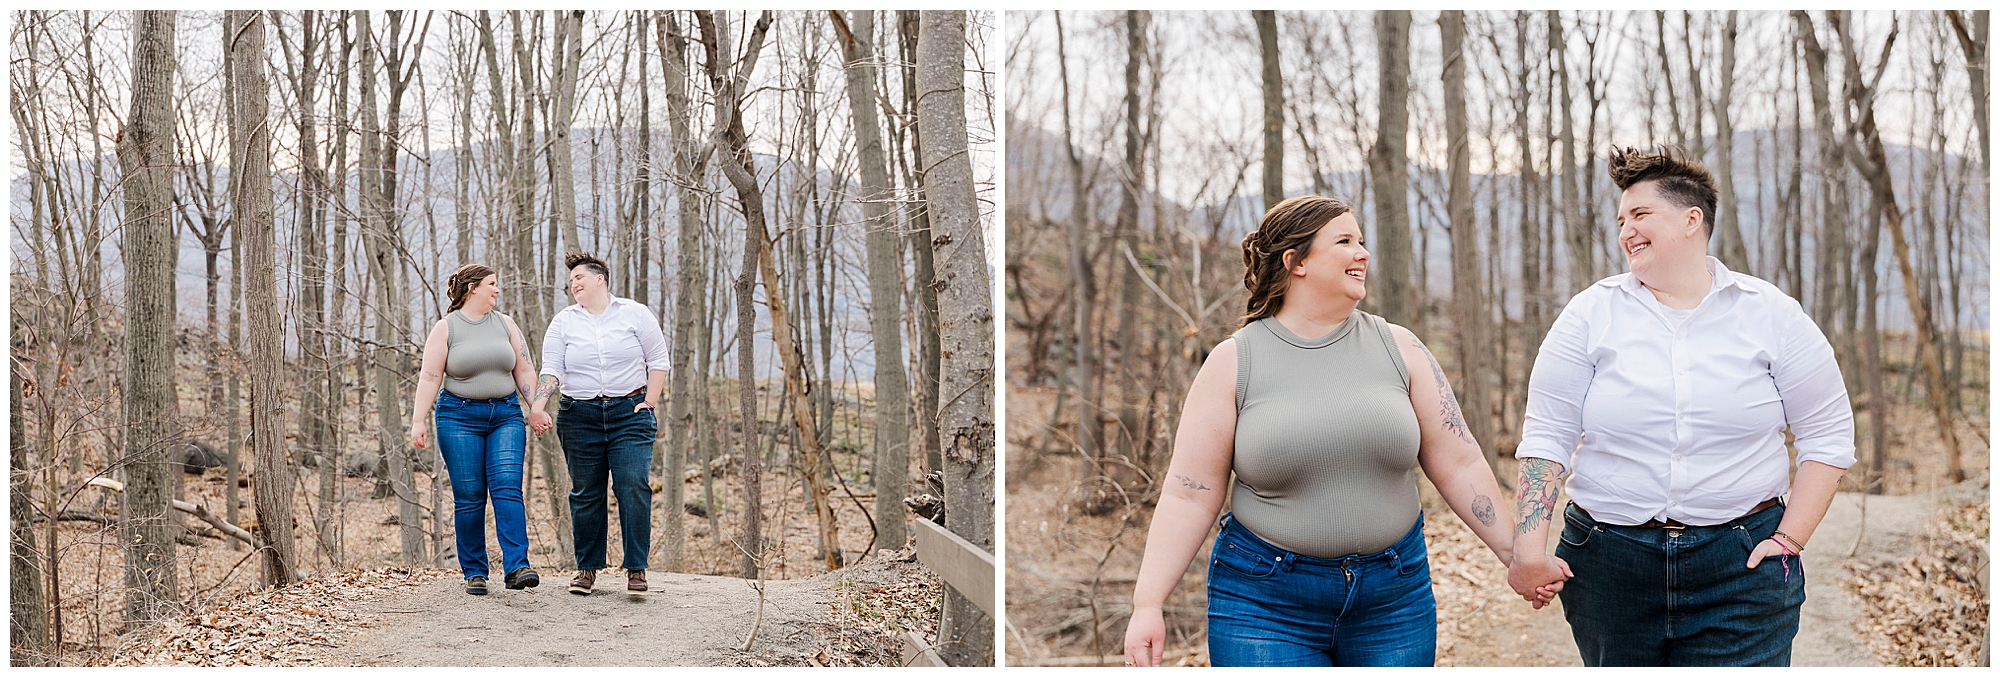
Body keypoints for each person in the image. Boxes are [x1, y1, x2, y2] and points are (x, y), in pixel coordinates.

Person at [1120, 196, 1554, 667]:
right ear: (1296, 261)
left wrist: (1516, 554)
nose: (1362, 253)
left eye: (1362, 241)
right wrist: (1148, 604)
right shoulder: (1233, 361)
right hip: (1265, 605)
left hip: (1394, 601)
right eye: (1344, 241)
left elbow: (1459, 460)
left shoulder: (1400, 348)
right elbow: (1190, 493)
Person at [1509, 145, 1854, 666]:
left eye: (1641, 214)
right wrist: (1529, 550)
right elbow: (1548, 434)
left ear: (1693, 219)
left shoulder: (1773, 316)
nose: (1626, 229)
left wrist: (1789, 540)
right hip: (1610, 563)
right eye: (1621, 219)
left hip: (1740, 563)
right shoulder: (1589, 314)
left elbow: (1827, 433)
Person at [532, 252, 669, 598]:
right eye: (570, 281)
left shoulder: (635, 314)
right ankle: (587, 569)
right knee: (585, 492)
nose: (574, 284)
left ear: (600, 279)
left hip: (630, 414)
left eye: (580, 277)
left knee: (632, 485)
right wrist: (538, 405)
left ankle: (636, 568)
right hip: (580, 416)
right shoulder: (563, 322)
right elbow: (552, 368)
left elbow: (659, 360)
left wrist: (649, 402)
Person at [409, 264, 550, 596]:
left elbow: (525, 369)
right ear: (472, 288)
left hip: (505, 415)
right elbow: (430, 377)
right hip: (458, 418)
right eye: (492, 284)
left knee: (507, 488)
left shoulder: (506, 324)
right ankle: (475, 571)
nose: (497, 290)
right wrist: (418, 420)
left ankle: (518, 567)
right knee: (470, 497)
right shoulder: (447, 328)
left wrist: (535, 408)